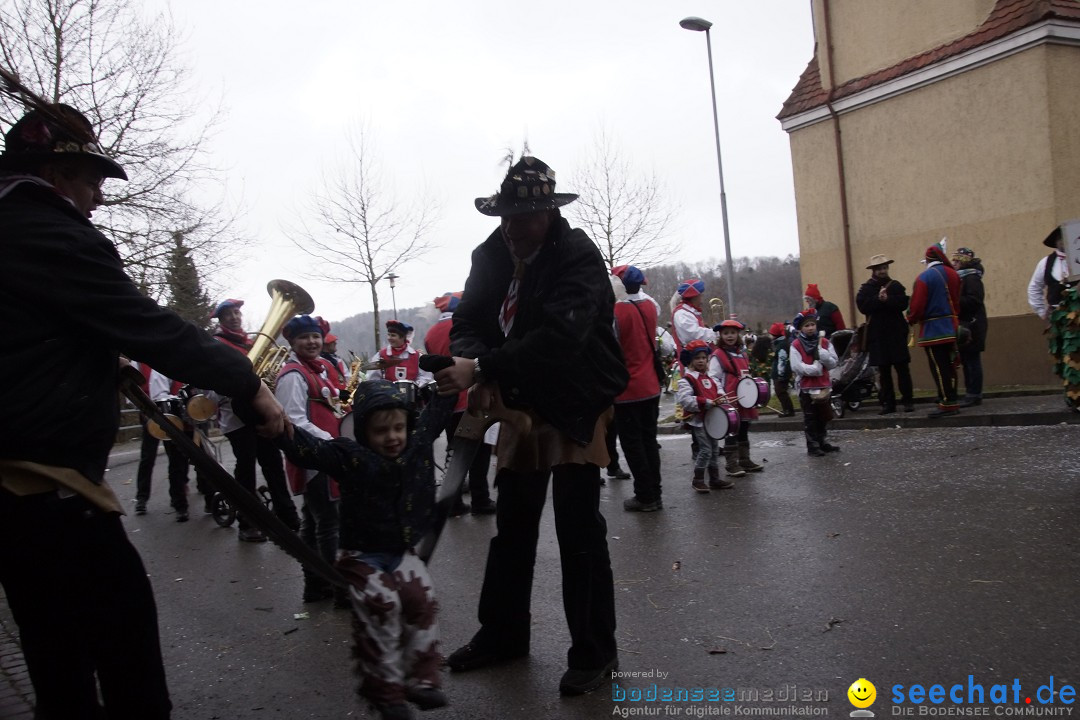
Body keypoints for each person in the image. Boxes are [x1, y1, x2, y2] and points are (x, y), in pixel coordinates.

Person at [0, 103, 283, 719]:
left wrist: (98, 363)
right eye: (93, 183)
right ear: (56, 176)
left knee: (56, 650)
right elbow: (148, 325)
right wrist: (247, 382)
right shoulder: (48, 231)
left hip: (19, 490)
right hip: (48, 487)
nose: (98, 200)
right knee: (125, 644)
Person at [432, 155, 627, 696]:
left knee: (577, 528)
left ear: (550, 215)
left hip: (575, 399)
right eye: (509, 217)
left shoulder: (579, 254)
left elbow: (562, 337)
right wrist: (473, 362)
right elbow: (468, 320)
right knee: (513, 525)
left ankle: (594, 651)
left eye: (528, 217)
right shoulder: (492, 252)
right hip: (520, 399)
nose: (515, 228)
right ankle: (503, 634)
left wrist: (487, 367)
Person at [280, 379, 457, 720]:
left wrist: (454, 375)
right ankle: (384, 689)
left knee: (421, 600)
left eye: (397, 428)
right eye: (380, 432)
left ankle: (422, 678)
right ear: (363, 432)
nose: (392, 437)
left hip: (402, 552)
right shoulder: (350, 457)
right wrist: (276, 427)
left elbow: (437, 412)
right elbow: (308, 450)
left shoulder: (416, 444)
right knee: (383, 605)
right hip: (361, 556)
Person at [209, 297, 301, 537]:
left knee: (273, 465)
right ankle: (247, 523)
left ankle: (288, 517)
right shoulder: (216, 344)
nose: (235, 317)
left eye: (237, 312)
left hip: (259, 414)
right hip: (236, 418)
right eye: (228, 314)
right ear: (221, 319)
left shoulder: (250, 343)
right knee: (246, 469)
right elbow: (214, 384)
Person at [274, 314, 343, 604]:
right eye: (304, 337)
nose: (312, 342)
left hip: (329, 454)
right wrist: (331, 442)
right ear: (292, 341)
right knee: (327, 522)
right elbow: (294, 421)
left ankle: (315, 585)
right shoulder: (292, 374)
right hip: (316, 455)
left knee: (315, 521)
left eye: (315, 336)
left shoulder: (323, 367)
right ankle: (337, 586)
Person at [423, 291, 496, 516]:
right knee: (480, 452)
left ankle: (452, 502)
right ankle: (480, 499)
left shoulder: (430, 333)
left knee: (453, 450)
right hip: (471, 396)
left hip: (448, 398)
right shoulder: (467, 327)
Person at [611, 266, 664, 512]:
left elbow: (611, 347)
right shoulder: (651, 307)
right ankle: (656, 492)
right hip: (651, 384)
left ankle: (645, 496)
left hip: (627, 389)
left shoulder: (616, 312)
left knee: (633, 445)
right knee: (649, 441)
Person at [855, 254, 915, 414]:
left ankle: (908, 401)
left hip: (896, 334)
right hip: (878, 336)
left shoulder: (895, 286)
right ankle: (888, 403)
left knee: (903, 369)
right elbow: (862, 306)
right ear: (874, 271)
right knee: (884, 372)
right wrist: (878, 300)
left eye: (884, 268)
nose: (883, 271)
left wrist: (888, 300)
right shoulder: (866, 289)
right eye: (879, 268)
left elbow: (903, 302)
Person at [908, 244, 962, 418]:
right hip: (952, 325)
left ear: (928, 259)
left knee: (939, 367)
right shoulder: (953, 274)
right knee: (951, 365)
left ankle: (947, 402)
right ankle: (951, 397)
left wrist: (910, 318)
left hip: (933, 329)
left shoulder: (924, 278)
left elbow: (917, 307)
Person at [710, 318, 765, 477]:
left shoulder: (742, 353)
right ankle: (731, 464)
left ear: (738, 334)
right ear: (720, 335)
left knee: (744, 428)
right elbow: (713, 377)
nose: (729, 336)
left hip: (744, 397)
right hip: (730, 395)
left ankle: (744, 460)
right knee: (732, 430)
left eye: (733, 333)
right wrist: (721, 394)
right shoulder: (718, 354)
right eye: (726, 333)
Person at [676, 340, 730, 491]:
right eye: (697, 358)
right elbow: (685, 400)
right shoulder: (686, 380)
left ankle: (714, 479)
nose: (701, 360)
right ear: (690, 360)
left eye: (703, 357)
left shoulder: (711, 378)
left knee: (714, 449)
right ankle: (698, 479)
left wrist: (722, 397)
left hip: (712, 419)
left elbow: (720, 390)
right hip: (698, 421)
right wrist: (705, 402)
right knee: (705, 450)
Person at [788, 310, 839, 456]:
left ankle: (822, 441)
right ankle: (812, 444)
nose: (810, 328)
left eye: (812, 325)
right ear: (801, 328)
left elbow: (834, 363)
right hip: (806, 387)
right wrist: (814, 369)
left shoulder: (825, 342)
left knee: (823, 415)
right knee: (810, 417)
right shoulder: (796, 345)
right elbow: (796, 366)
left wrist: (825, 357)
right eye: (807, 326)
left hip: (823, 384)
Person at [952, 247, 988, 407]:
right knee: (967, 359)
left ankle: (974, 393)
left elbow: (975, 300)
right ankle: (970, 392)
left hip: (973, 324)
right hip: (967, 323)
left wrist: (955, 302)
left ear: (964, 261)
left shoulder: (971, 278)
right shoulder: (963, 278)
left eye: (956, 261)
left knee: (972, 359)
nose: (954, 263)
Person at [368, 320, 434, 385]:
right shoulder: (381, 355)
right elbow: (372, 379)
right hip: (387, 394)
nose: (389, 338)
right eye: (388, 335)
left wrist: (415, 386)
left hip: (412, 394)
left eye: (393, 335)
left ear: (403, 337)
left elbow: (426, 377)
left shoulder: (417, 356)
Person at [1027, 225, 1069, 327]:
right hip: (1057, 317)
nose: (1064, 240)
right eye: (1061, 237)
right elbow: (1034, 288)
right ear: (1055, 241)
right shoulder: (1045, 262)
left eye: (1067, 236)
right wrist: (1042, 312)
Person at [670, 277, 713, 361]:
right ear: (695, 297)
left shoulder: (690, 312)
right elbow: (692, 335)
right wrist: (714, 333)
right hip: (691, 362)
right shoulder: (682, 313)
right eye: (700, 295)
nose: (702, 298)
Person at [768, 322, 796, 417]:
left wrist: (780, 374)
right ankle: (788, 409)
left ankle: (788, 410)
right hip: (783, 372)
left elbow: (782, 359)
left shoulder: (781, 344)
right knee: (781, 391)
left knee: (780, 391)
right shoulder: (782, 343)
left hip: (781, 373)